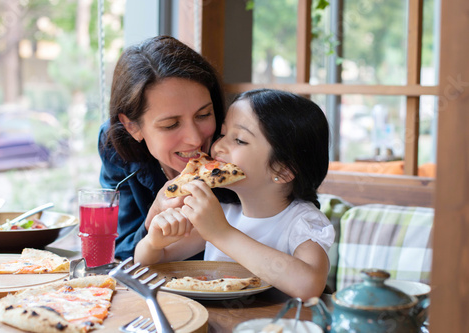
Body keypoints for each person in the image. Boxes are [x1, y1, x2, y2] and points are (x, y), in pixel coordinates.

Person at [134, 89, 335, 300]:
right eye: (222, 134)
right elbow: (147, 265)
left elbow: (309, 286)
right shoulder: (224, 212)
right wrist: (154, 243)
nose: (218, 146)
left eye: (239, 140)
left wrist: (222, 233)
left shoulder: (302, 221)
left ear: (283, 170)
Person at [98, 35, 227, 260]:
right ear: (132, 127)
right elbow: (118, 247)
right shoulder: (116, 147)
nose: (195, 139)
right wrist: (152, 219)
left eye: (204, 114)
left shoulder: (238, 147)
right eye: (171, 124)